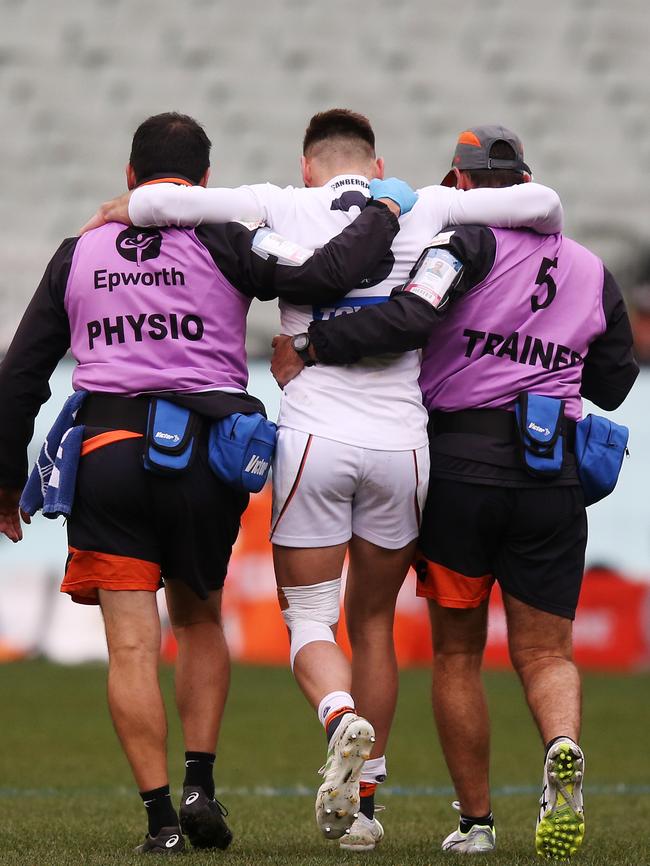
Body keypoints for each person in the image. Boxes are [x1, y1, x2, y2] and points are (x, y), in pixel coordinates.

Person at [82, 109, 565, 848]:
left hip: (315, 438)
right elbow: (543, 204)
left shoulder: (281, 201)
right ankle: (365, 810)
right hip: (404, 443)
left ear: (308, 166)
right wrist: (414, 198)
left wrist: (128, 206)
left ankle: (339, 714)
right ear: (376, 168)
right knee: (375, 624)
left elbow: (161, 203)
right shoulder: (425, 202)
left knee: (312, 617)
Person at [0, 111, 412, 855]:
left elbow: (20, 376)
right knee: (196, 621)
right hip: (203, 456)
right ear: (205, 182)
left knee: (130, 647)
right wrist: (387, 207)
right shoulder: (226, 234)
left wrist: (5, 479)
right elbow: (324, 273)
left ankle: (161, 823)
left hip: (108, 451)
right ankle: (199, 783)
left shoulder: (78, 251)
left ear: (131, 178)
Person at [270, 125, 639, 858]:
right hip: (552, 474)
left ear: (459, 185)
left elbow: (410, 315)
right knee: (547, 653)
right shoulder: (591, 268)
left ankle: (476, 825)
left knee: (458, 655)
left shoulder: (461, 247)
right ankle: (561, 745)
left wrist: (313, 345)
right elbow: (616, 381)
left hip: (465, 465)